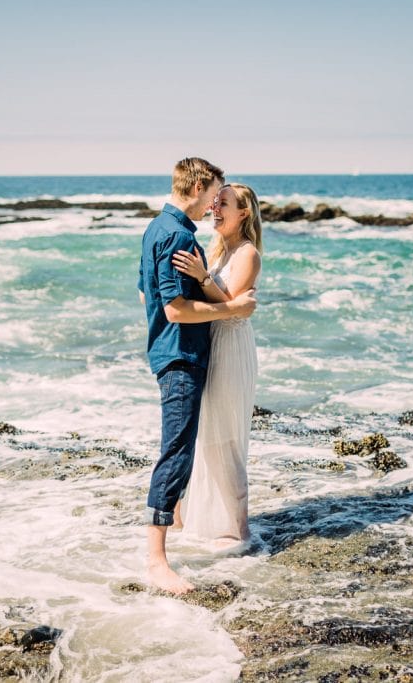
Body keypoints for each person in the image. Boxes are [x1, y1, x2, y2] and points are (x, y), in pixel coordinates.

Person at [137, 158, 257, 594]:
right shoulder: (176, 235)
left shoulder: (157, 228)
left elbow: (144, 292)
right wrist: (232, 309)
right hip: (181, 355)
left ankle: (180, 528)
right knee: (177, 452)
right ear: (201, 186)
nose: (213, 205)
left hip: (172, 350)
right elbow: (175, 309)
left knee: (181, 446)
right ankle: (156, 562)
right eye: (214, 194)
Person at [171, 183, 262, 549]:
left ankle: (240, 533)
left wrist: (202, 276)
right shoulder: (216, 248)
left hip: (231, 347)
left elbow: (230, 303)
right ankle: (200, 523)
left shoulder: (248, 253)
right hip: (210, 344)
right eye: (214, 203)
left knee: (227, 439)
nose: (215, 209)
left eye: (223, 204)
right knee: (207, 436)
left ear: (244, 213)